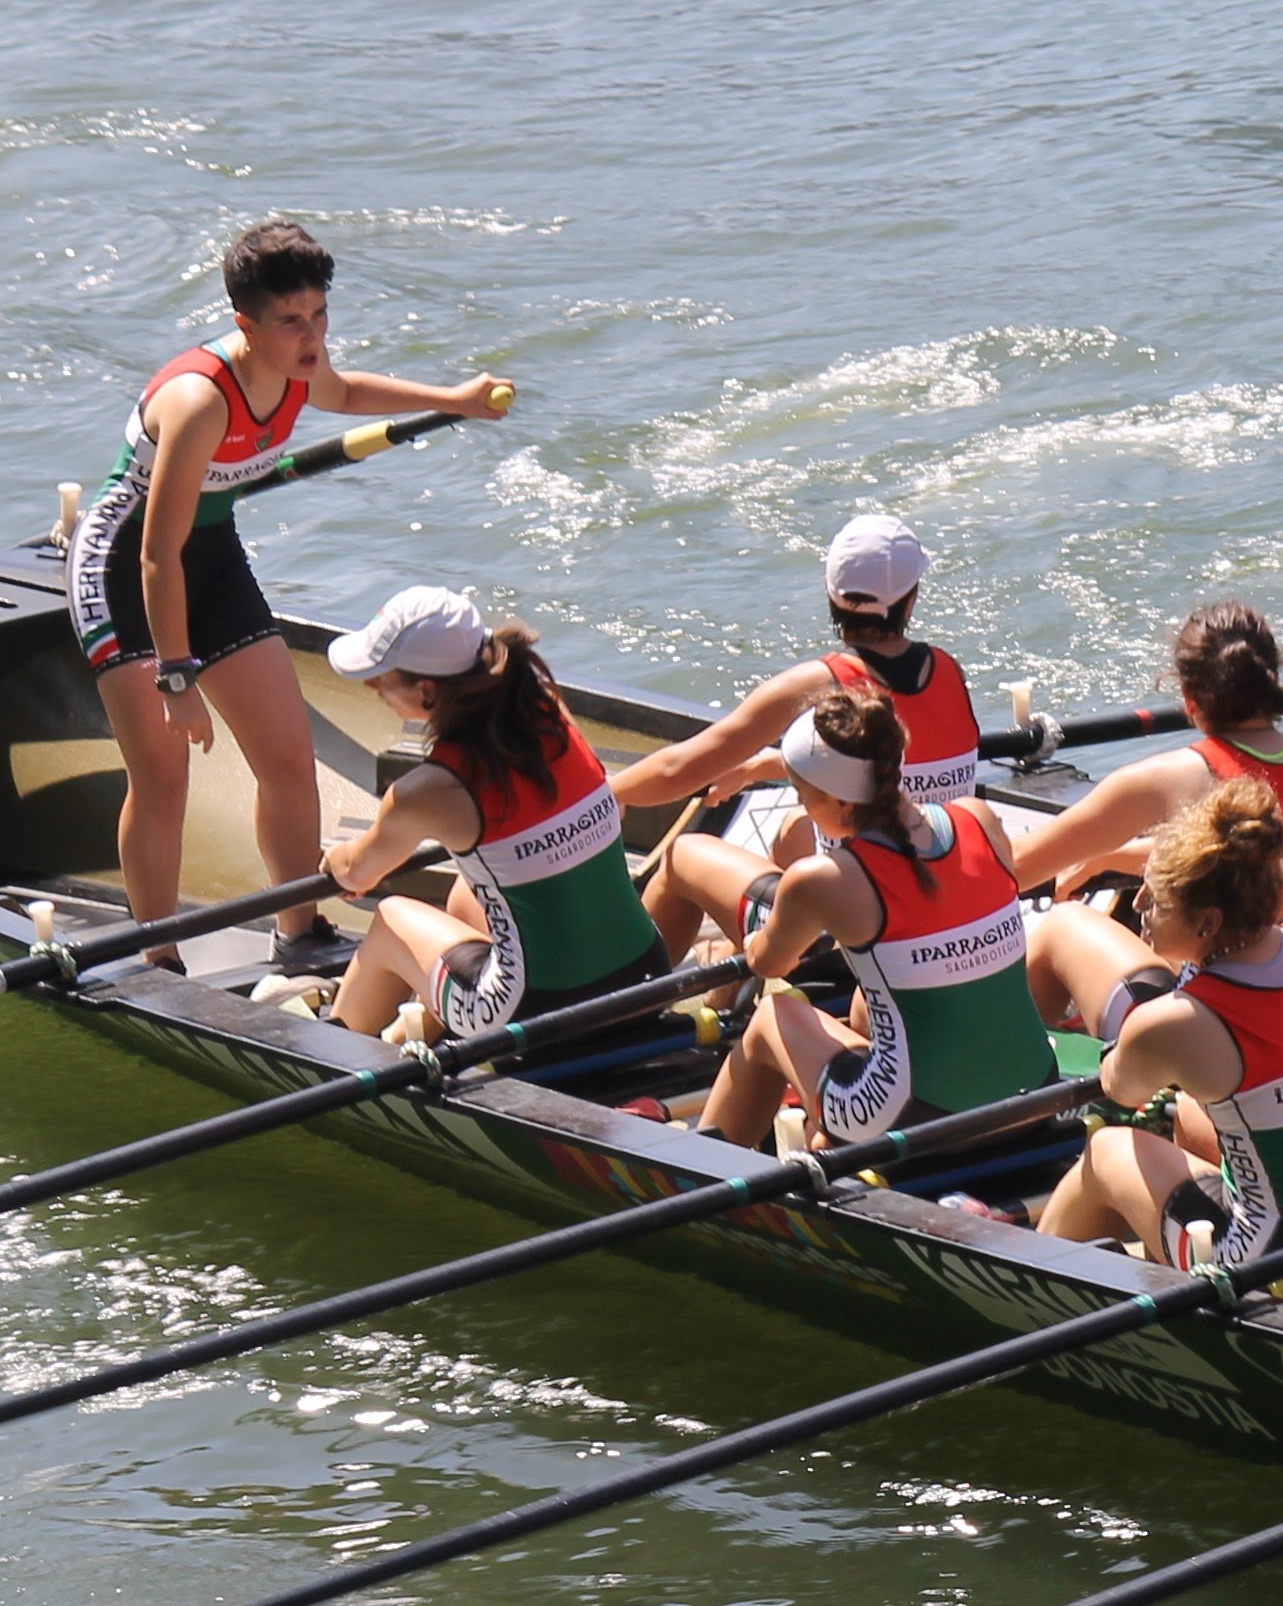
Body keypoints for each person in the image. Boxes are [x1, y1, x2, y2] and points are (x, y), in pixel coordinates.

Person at [66, 217, 512, 967]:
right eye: (290, 322)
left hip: (209, 554)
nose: (310, 337)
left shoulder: (300, 360)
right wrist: (178, 676)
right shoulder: (199, 400)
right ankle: (158, 956)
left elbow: (340, 390)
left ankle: (299, 931)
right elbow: (155, 553)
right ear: (245, 324)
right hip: (124, 565)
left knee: (287, 759)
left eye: (319, 315)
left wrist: (455, 398)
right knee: (165, 776)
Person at [1027, 777, 1283, 1264]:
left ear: (1209, 923)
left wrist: (1137, 1039)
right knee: (1198, 1119)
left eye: (1154, 898)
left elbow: (1123, 1091)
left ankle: (1034, 1280)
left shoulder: (1174, 1024)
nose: (1136, 906)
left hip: (1280, 1257)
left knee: (1107, 1152)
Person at [664, 691, 1059, 1149]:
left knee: (774, 1016)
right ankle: (820, 1139)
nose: (802, 807)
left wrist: (748, 944)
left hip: (915, 1117)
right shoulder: (977, 817)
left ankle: (707, 1171)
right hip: (1039, 1093)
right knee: (871, 1009)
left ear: (842, 804)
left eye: (804, 797)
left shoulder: (824, 879)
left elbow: (770, 963)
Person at [608, 515, 987, 949]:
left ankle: (638, 1003)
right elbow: (892, 774)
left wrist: (609, 793)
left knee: (682, 857)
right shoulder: (949, 672)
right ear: (912, 599)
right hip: (946, 908)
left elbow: (679, 768)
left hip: (859, 934)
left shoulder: (819, 683)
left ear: (830, 595)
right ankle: (730, 994)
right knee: (794, 828)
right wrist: (758, 768)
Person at [314, 590, 669, 1039]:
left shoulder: (426, 792)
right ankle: (420, 1022)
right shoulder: (547, 708)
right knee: (467, 892)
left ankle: (336, 1043)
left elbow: (356, 873)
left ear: (427, 691)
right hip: (648, 978)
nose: (372, 687)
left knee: (391, 918)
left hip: (532, 1013)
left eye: (380, 677)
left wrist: (337, 862)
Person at [1004, 601, 1283, 943]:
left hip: (1236, 1014)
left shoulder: (1173, 777)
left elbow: (1015, 867)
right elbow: (1242, 857)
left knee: (1065, 925)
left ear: (1189, 700)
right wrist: (1103, 858)